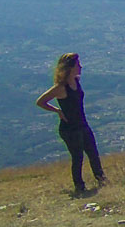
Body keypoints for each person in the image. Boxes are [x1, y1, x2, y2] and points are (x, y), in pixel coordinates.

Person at [35, 52, 106, 195]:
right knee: (78, 157)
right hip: (70, 129)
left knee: (93, 152)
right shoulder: (60, 87)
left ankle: (101, 179)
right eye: (78, 65)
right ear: (70, 67)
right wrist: (57, 111)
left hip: (82, 123)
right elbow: (40, 101)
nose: (81, 67)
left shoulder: (76, 81)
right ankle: (79, 187)